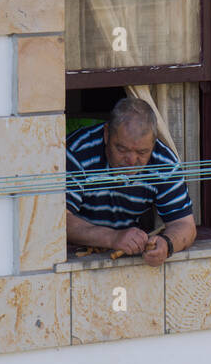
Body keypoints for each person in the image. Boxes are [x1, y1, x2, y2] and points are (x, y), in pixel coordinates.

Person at [65, 97, 196, 266]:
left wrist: (167, 244)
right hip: (75, 253)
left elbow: (185, 224)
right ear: (106, 134)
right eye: (122, 149)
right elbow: (60, 221)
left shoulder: (163, 161)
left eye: (142, 152)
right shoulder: (77, 152)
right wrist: (113, 237)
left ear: (153, 143)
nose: (131, 160)